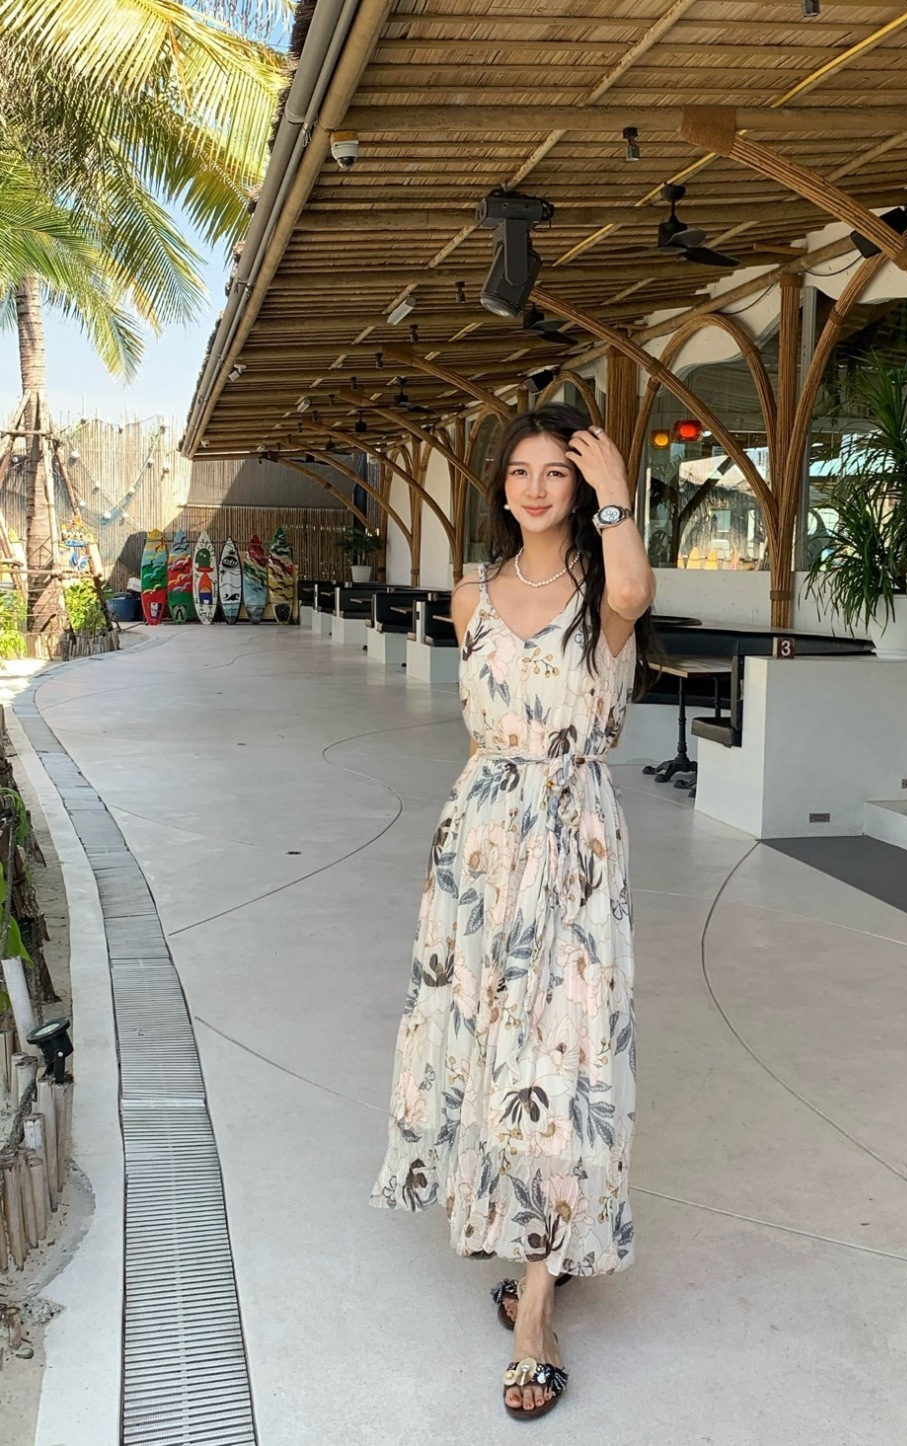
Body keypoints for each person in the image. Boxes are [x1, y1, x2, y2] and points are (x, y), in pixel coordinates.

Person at [370, 404, 656, 1419]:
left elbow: (635, 590)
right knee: (494, 1053)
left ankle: (536, 1307)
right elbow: (482, 730)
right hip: (482, 848)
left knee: (566, 1059)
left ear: (581, 489)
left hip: (573, 847)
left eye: (557, 472)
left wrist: (616, 489)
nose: (537, 488)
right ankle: (532, 1238)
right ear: (501, 486)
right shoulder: (470, 597)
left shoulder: (605, 592)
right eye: (522, 471)